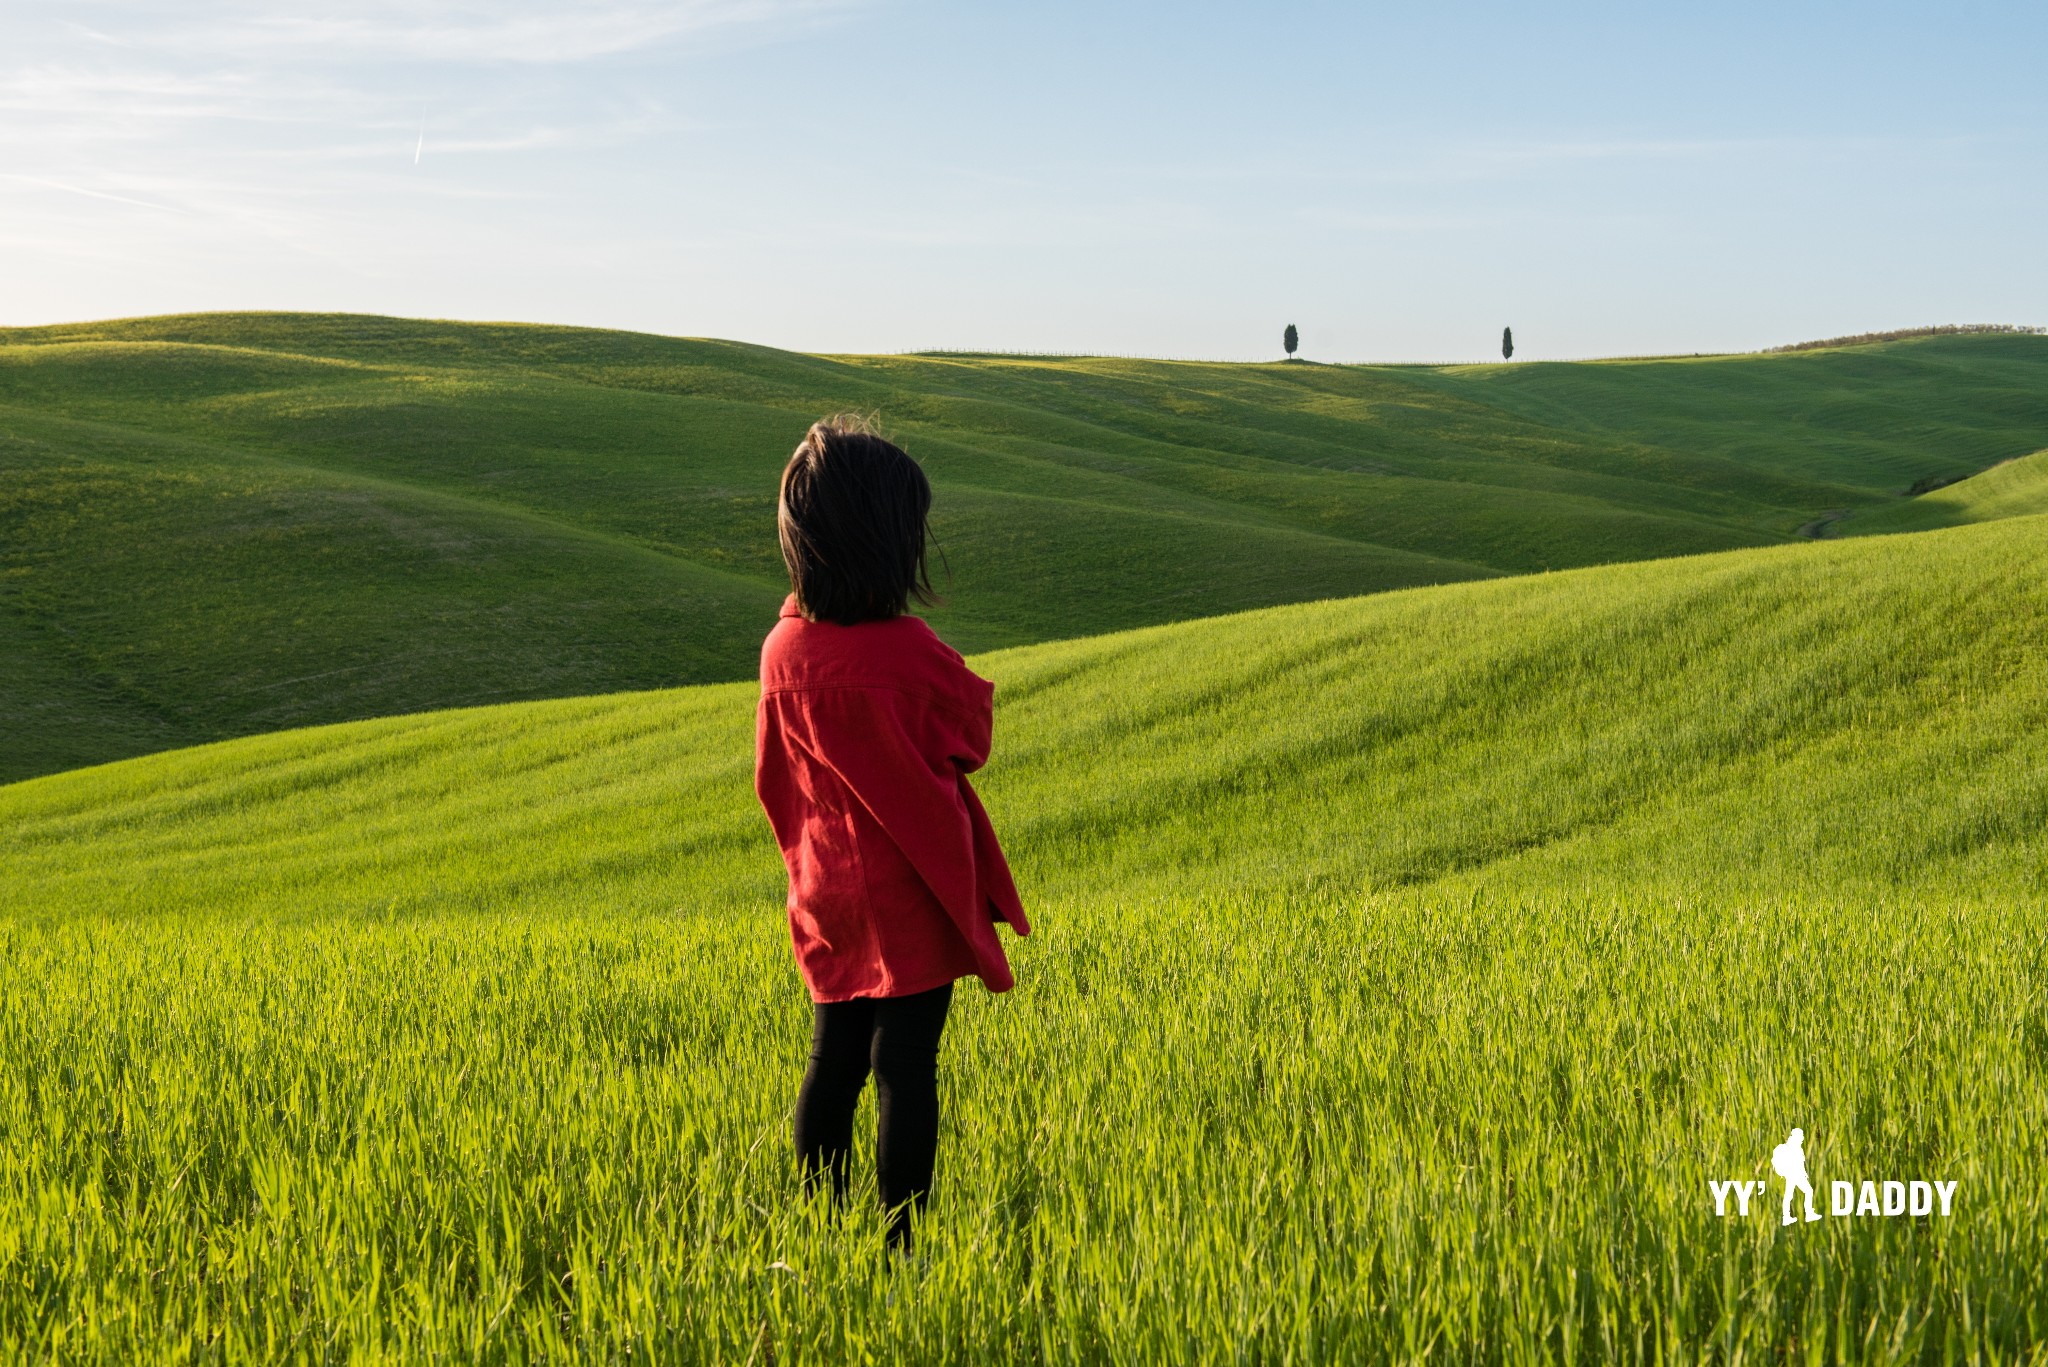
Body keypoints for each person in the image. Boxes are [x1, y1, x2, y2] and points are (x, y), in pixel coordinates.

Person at [753, 415, 1030, 1252]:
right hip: (914, 899)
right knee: (906, 1068)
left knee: (830, 1062)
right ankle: (901, 1244)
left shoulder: (780, 652)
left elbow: (772, 775)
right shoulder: (910, 653)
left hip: (826, 895)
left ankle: (819, 1234)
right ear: (888, 546)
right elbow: (972, 735)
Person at [1771, 1128, 1822, 1226]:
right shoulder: (1794, 1147)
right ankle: (1808, 1214)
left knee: (1789, 1195)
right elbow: (1797, 1163)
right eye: (1801, 1136)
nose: (1803, 1138)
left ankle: (1787, 1217)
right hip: (1794, 1174)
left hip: (1794, 1174)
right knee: (1807, 1191)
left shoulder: (1794, 1146)